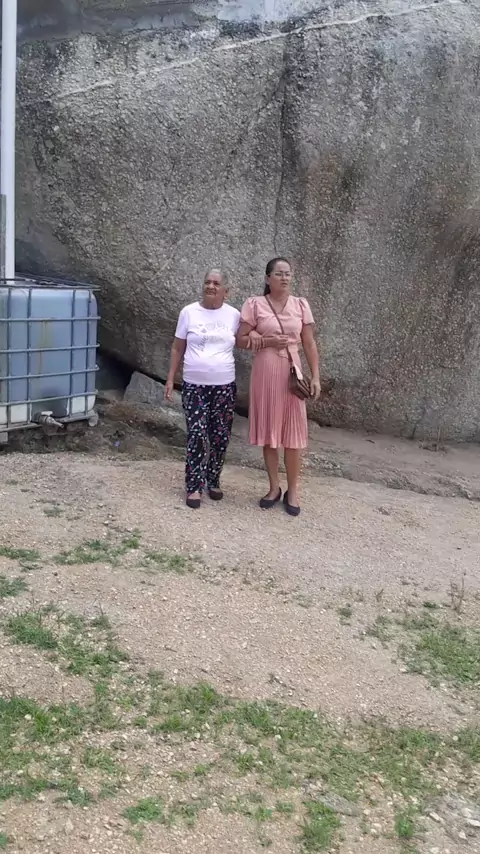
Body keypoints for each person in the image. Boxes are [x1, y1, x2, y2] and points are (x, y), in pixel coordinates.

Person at [236, 257, 320, 517]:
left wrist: (315, 376)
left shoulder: (300, 305)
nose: (284, 278)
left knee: (293, 434)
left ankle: (293, 490)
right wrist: (265, 341)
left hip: (292, 372)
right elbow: (240, 339)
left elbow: (309, 343)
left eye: (288, 273)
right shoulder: (255, 304)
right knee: (270, 433)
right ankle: (274, 487)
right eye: (279, 273)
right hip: (266, 372)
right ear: (267, 278)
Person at [165, 269, 240, 509]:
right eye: (207, 282)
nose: (211, 286)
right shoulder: (188, 312)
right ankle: (194, 486)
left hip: (224, 385)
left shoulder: (234, 315)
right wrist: (170, 378)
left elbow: (247, 339)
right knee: (197, 434)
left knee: (220, 436)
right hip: (194, 385)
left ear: (226, 291)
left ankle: (213, 479)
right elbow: (177, 347)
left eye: (216, 283)